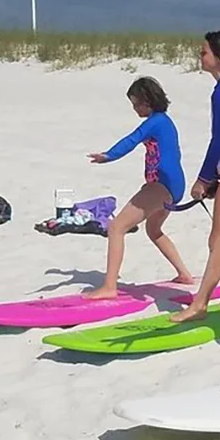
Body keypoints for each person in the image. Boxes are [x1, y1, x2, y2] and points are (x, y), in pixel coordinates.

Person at [85, 76, 195, 299]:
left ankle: (109, 287)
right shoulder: (164, 121)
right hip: (173, 184)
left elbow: (132, 139)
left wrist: (108, 156)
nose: (134, 108)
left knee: (116, 227)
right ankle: (184, 274)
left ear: (148, 101)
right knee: (153, 230)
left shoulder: (156, 122)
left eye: (136, 103)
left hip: (162, 185)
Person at [173, 31, 220, 323]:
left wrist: (204, 178)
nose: (201, 57)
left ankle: (200, 304)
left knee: (219, 239)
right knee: (217, 238)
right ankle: (204, 299)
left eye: (204, 52)